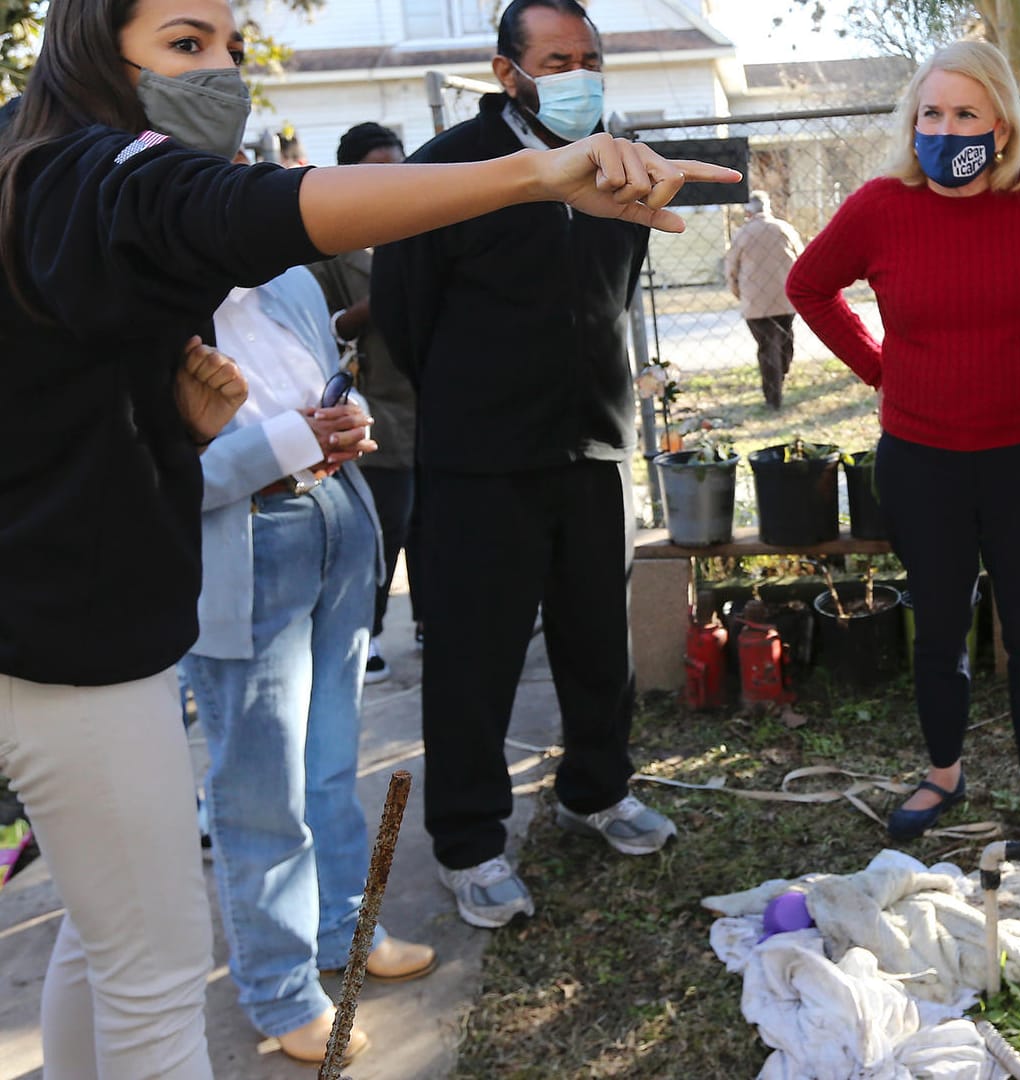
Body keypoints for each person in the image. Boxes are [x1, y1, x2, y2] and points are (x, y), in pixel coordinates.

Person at [0, 0, 736, 1073]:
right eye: (186, 44)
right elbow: (267, 213)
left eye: (231, 48)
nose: (222, 75)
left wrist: (175, 428)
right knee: (155, 978)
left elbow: (71, 437)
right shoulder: (89, 177)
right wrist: (532, 176)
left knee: (105, 945)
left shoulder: (50, 183)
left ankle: (388, 901)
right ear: (88, 49)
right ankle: (319, 952)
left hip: (128, 606)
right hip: (74, 648)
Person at [785, 41, 1020, 857]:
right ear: (913, 123)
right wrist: (879, 369)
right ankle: (943, 772)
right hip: (923, 458)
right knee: (940, 625)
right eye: (930, 114)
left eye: (964, 114)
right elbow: (808, 284)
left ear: (1003, 124)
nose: (945, 129)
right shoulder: (881, 206)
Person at [372, 0, 681, 932]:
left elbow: (614, 291)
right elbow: (405, 314)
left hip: (592, 444)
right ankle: (470, 844)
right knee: (474, 657)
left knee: (599, 642)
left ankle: (599, 789)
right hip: (478, 462)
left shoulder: (621, 161)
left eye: (591, 56)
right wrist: (480, 398)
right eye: (557, 58)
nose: (579, 73)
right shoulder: (448, 170)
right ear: (508, 71)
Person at [181, 261, 438, 1064]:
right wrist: (291, 439)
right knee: (262, 786)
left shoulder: (285, 280)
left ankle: (343, 932)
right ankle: (281, 990)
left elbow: (331, 378)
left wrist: (345, 416)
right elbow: (146, 477)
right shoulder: (136, 300)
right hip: (245, 542)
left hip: (336, 518)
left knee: (330, 763)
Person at [308, 121, 419, 684]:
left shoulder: (423, 224)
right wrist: (372, 305)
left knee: (435, 521)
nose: (391, 182)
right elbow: (319, 327)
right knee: (387, 525)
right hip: (372, 401)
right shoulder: (330, 240)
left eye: (399, 169)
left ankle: (431, 620)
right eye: (377, 171)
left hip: (432, 396)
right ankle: (368, 631)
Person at [724, 189, 803, 408]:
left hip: (755, 304)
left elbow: (731, 269)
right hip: (786, 299)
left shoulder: (741, 235)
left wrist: (739, 293)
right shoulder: (784, 229)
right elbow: (802, 259)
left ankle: (772, 396)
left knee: (767, 347)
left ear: (748, 212)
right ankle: (782, 373)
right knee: (785, 341)